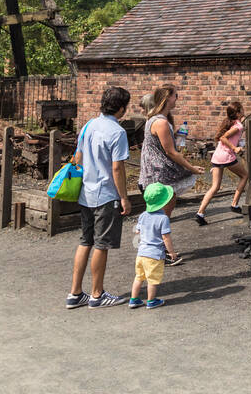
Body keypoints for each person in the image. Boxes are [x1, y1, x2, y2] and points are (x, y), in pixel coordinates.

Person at [67, 86, 132, 309]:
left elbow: (77, 158)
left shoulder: (88, 125)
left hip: (86, 191)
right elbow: (117, 168)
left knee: (85, 241)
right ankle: (97, 294)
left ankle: (75, 293)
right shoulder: (118, 132)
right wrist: (124, 197)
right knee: (102, 245)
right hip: (106, 194)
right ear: (122, 108)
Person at [140, 86, 204, 207]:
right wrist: (191, 168)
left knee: (161, 213)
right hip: (160, 174)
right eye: (176, 96)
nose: (177, 99)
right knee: (163, 214)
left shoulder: (157, 119)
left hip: (157, 173)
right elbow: (171, 152)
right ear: (167, 98)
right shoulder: (160, 122)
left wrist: (175, 135)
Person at [197, 102, 248, 223]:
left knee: (215, 187)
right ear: (238, 112)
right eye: (242, 109)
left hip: (217, 156)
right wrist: (235, 148)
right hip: (226, 156)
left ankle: (200, 213)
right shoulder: (238, 126)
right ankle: (234, 204)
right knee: (245, 176)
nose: (244, 109)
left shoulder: (231, 122)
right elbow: (223, 138)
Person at [130, 182, 177, 309]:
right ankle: (151, 301)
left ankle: (134, 299)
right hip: (154, 254)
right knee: (152, 279)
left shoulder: (143, 215)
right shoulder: (163, 218)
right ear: (165, 202)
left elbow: (137, 231)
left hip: (141, 253)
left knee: (139, 277)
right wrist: (171, 252)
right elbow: (165, 237)